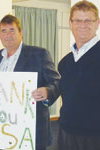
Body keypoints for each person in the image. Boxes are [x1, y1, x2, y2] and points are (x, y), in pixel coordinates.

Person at [0, 15, 60, 150]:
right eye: (4, 31)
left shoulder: (39, 54)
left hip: (30, 130)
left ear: (21, 33)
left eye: (12, 30)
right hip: (0, 129)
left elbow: (56, 82)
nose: (8, 35)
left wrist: (47, 91)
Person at [57, 1, 100, 150]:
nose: (83, 25)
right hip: (65, 132)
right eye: (78, 20)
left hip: (94, 138)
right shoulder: (65, 62)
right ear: (70, 23)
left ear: (98, 23)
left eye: (88, 20)